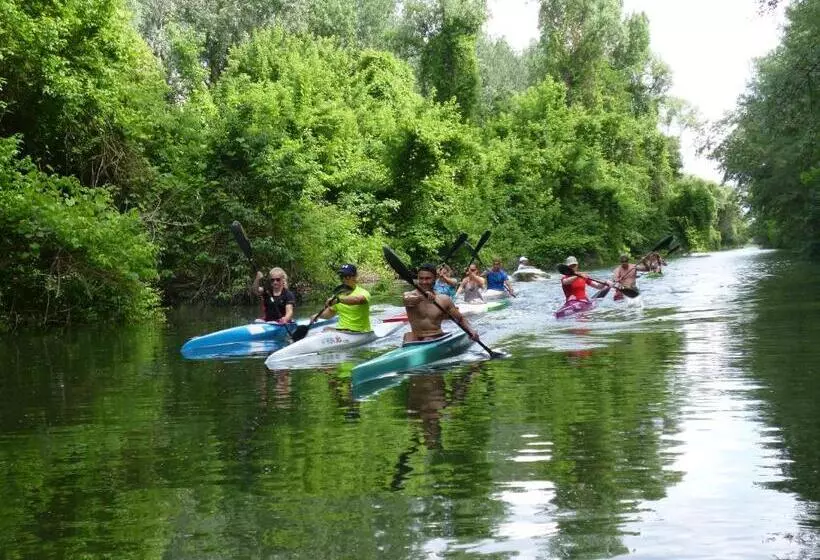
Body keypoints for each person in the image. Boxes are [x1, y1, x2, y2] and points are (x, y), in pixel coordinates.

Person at [403, 263, 479, 343]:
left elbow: (460, 319)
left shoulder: (444, 299)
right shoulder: (408, 295)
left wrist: (471, 330)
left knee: (428, 339)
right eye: (421, 278)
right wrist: (422, 297)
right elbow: (407, 300)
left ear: (435, 279)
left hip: (435, 337)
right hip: (415, 339)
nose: (424, 282)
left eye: (428, 278)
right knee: (408, 336)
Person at [319, 264, 372, 332]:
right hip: (342, 331)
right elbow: (329, 314)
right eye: (342, 277)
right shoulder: (337, 295)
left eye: (347, 276)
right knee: (326, 329)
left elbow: (358, 300)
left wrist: (338, 300)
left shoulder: (364, 293)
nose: (344, 279)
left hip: (360, 332)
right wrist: (317, 316)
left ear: (355, 277)